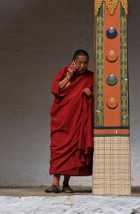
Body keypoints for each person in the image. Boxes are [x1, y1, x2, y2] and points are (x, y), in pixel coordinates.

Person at [45, 50, 94, 193]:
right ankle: (55, 183)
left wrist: (90, 94)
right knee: (58, 149)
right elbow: (56, 89)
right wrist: (69, 77)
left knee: (74, 152)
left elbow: (98, 97)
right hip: (62, 118)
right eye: (80, 63)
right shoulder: (64, 72)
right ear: (73, 62)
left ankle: (66, 183)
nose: (82, 66)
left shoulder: (91, 77)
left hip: (77, 121)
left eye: (85, 63)